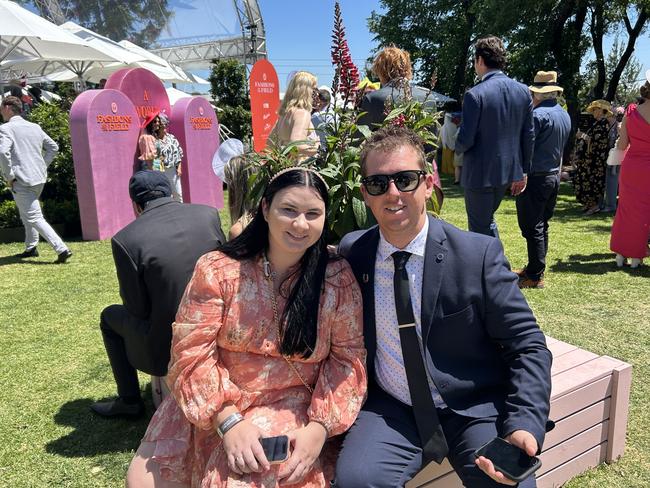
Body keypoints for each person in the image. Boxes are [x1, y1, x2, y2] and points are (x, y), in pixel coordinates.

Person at [335, 126, 552, 488]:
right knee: (356, 480)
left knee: (505, 484)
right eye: (378, 184)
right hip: (393, 407)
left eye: (405, 179)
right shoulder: (353, 254)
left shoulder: (476, 256)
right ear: (365, 194)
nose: (393, 194)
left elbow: (527, 345)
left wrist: (524, 423)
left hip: (474, 408)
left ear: (428, 182)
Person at [126, 168, 367, 487]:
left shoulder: (336, 278)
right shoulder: (218, 271)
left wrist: (318, 429)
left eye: (313, 213)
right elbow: (190, 354)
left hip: (300, 407)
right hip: (218, 405)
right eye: (288, 210)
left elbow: (347, 360)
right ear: (265, 209)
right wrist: (228, 422)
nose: (300, 224)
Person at [90, 171, 226, 418]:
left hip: (168, 342)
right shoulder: (208, 214)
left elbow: (137, 309)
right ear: (171, 192)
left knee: (109, 317)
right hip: (218, 325)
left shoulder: (126, 239)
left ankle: (128, 399)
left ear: (135, 205)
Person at [455, 36, 534, 238]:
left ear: (480, 60)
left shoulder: (475, 94)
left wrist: (456, 144)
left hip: (479, 173)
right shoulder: (524, 91)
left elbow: (466, 139)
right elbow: (529, 135)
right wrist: (523, 170)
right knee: (486, 222)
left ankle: (494, 268)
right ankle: (494, 266)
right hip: (507, 172)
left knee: (480, 229)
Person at [514, 71, 571, 289]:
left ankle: (535, 274)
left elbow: (526, 147)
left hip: (537, 176)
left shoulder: (537, 116)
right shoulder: (563, 114)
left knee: (532, 226)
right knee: (541, 224)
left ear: (537, 93)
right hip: (553, 176)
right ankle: (535, 268)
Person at [0, 95, 72, 263]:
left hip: (21, 180)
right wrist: (42, 165)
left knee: (33, 217)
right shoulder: (35, 127)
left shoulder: (5, 128)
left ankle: (61, 248)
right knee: (28, 214)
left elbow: (3, 153)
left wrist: (9, 176)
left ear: (9, 108)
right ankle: (31, 247)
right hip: (38, 178)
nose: (1, 111)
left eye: (2, 107)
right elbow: (53, 147)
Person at [609, 74, 650, 268]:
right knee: (644, 212)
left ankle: (620, 254)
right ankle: (637, 256)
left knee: (626, 209)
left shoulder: (631, 112)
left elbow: (623, 144)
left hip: (632, 166)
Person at [358, 46, 433, 129]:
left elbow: (358, 138)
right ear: (408, 68)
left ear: (381, 70)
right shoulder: (429, 97)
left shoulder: (372, 99)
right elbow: (435, 138)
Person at [268, 71, 320, 159]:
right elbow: (295, 145)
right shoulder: (302, 113)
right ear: (306, 91)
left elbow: (269, 143)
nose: (315, 94)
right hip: (299, 168)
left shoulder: (284, 113)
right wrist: (316, 148)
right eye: (314, 89)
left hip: (284, 167)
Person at [572, 99, 611, 215]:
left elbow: (596, 142)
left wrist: (582, 136)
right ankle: (587, 204)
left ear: (600, 111)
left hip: (595, 161)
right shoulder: (595, 123)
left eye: (595, 109)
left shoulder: (603, 124)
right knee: (583, 180)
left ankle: (593, 206)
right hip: (588, 159)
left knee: (591, 182)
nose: (593, 112)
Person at [139, 112, 184, 202]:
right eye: (155, 122)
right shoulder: (149, 138)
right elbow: (150, 159)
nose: (158, 124)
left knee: (177, 193)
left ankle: (179, 211)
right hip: (158, 170)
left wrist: (179, 167)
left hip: (171, 170)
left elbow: (179, 153)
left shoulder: (171, 137)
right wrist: (156, 172)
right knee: (165, 195)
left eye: (159, 122)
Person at [602, 106, 624, 213]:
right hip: (612, 156)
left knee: (612, 180)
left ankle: (611, 205)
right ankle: (610, 204)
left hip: (616, 157)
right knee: (612, 180)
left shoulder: (619, 126)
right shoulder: (608, 126)